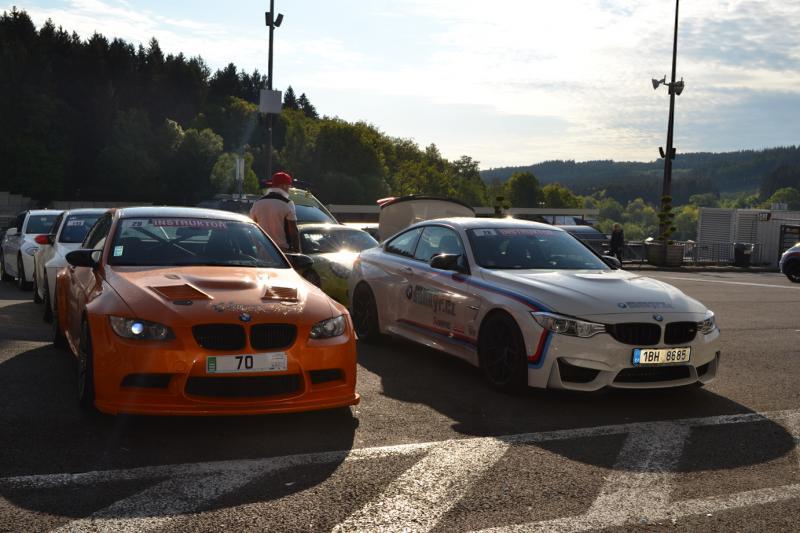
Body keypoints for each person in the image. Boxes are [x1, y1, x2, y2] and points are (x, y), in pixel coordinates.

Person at [250, 171, 301, 253]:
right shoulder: (287, 203)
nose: (288, 189)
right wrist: (297, 252)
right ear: (283, 186)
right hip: (282, 251)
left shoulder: (257, 203)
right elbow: (293, 231)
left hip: (263, 250)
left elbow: (253, 228)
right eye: (288, 187)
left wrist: (257, 248)